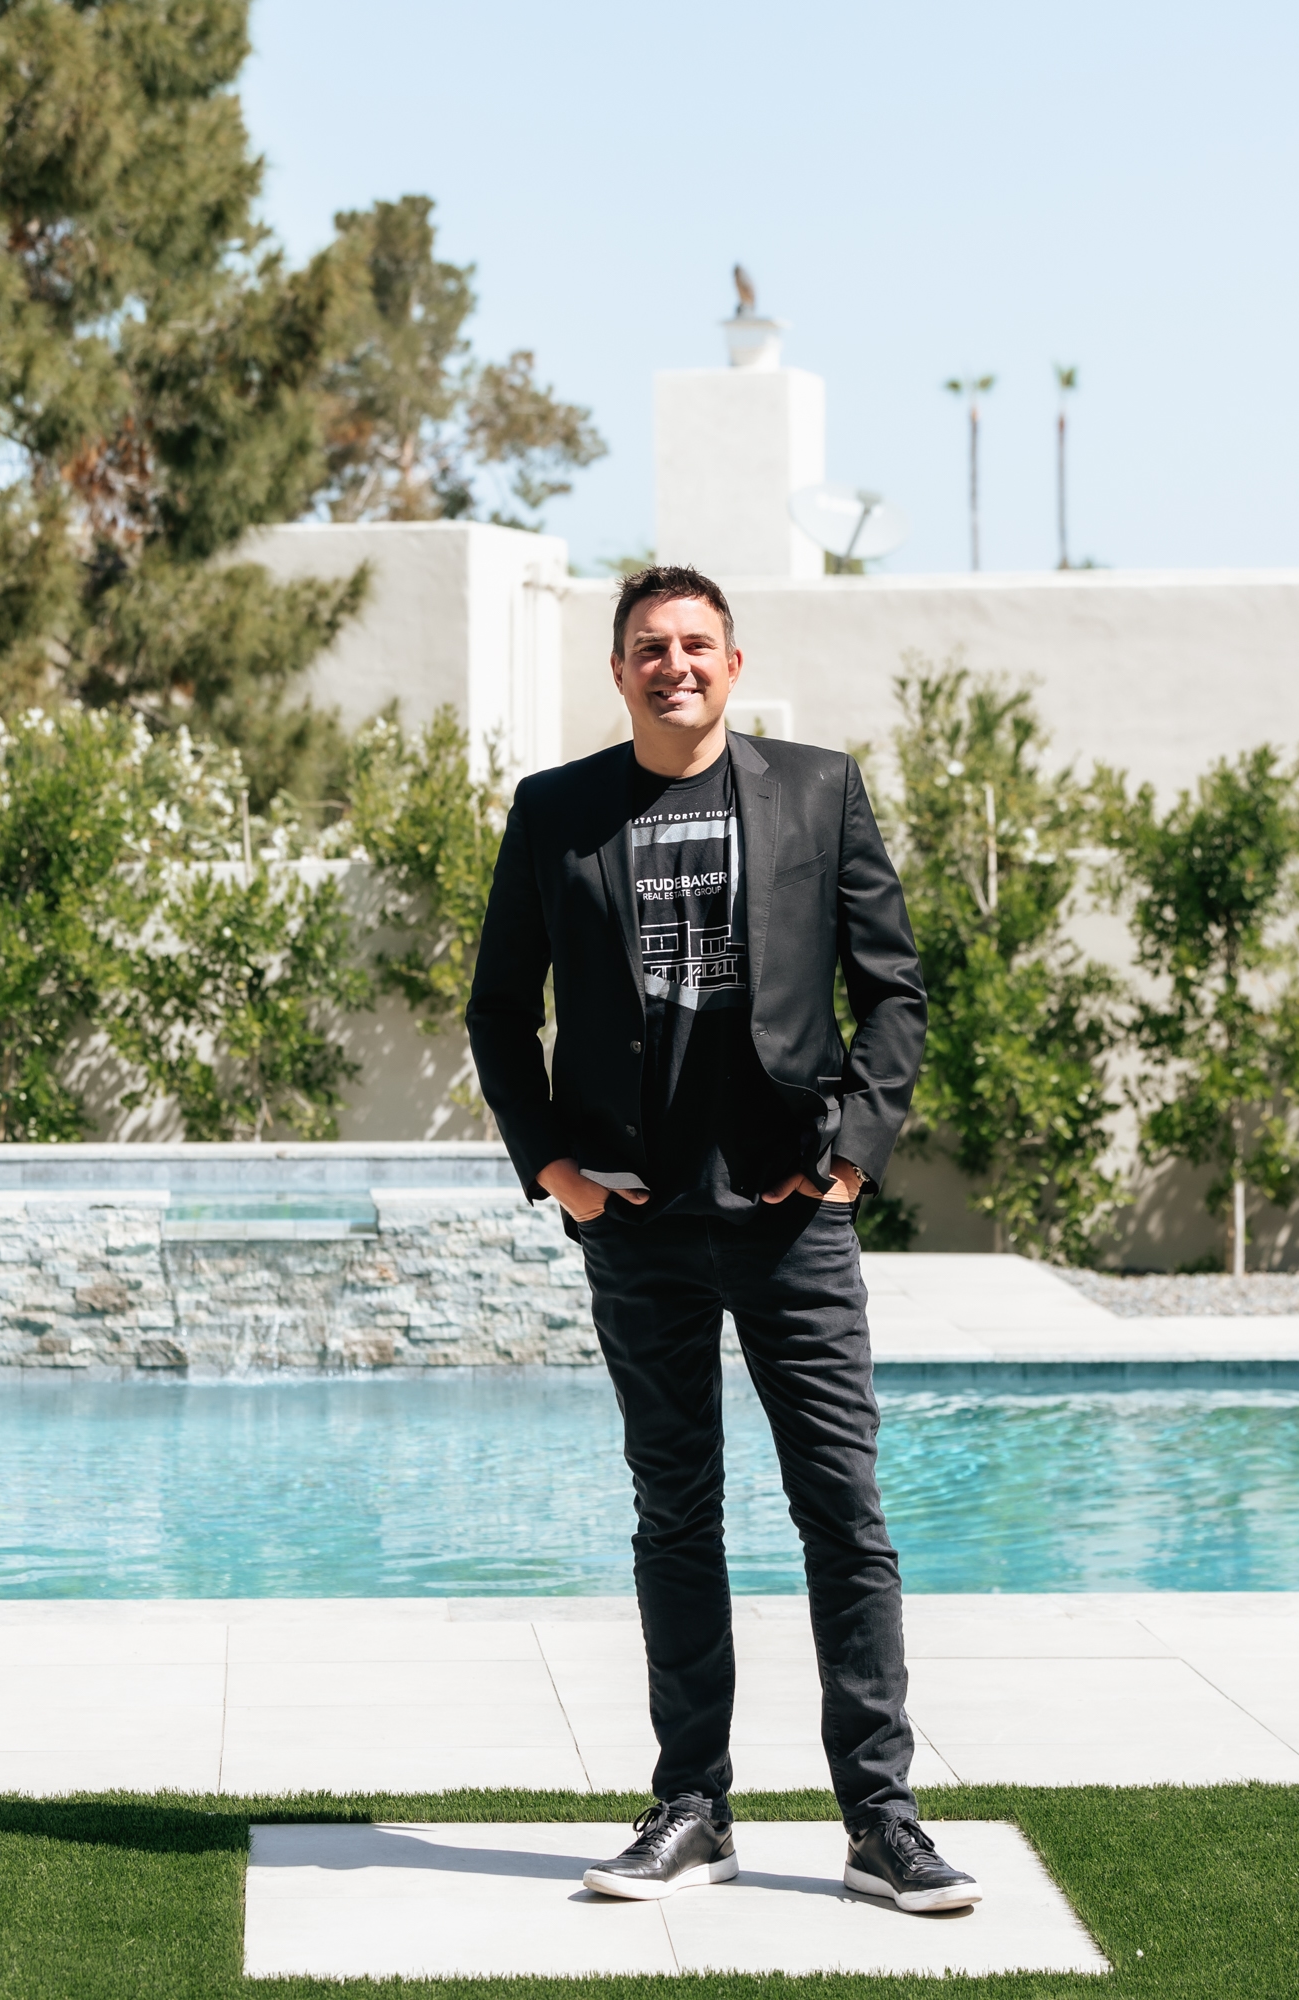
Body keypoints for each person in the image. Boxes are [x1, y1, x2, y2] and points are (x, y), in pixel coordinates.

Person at [465, 564, 977, 1914]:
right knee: (675, 1515)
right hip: (636, 1219)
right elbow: (498, 1010)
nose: (672, 663)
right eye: (648, 647)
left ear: (734, 666)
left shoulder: (819, 789)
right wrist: (556, 1171)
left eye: (695, 644)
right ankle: (693, 1807)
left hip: (790, 1210)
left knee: (843, 1514)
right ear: (619, 671)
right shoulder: (558, 812)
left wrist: (856, 1158)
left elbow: (896, 992)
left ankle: (880, 1819)